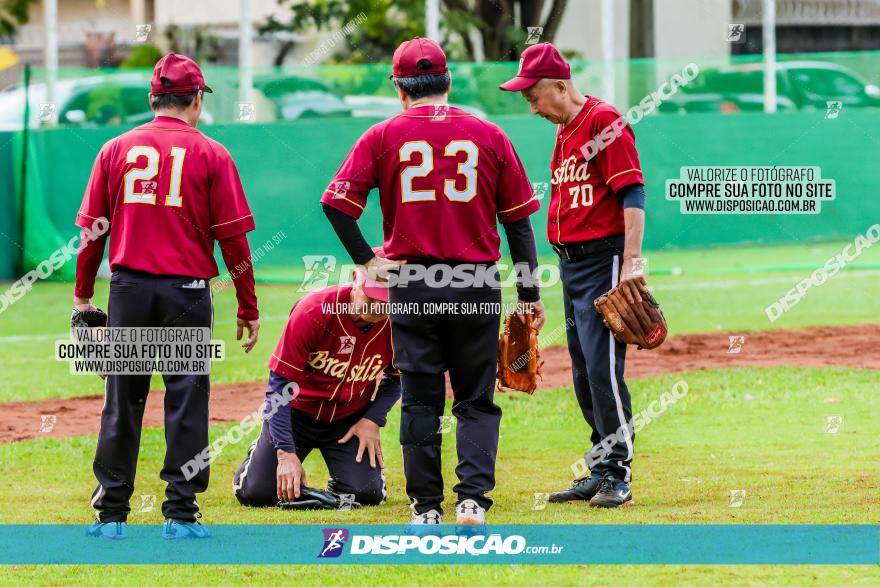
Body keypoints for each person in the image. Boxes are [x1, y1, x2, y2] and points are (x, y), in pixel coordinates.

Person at [321, 37, 544, 526]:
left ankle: (426, 508)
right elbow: (518, 224)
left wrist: (367, 262)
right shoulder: (488, 133)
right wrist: (529, 294)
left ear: (401, 89)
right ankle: (472, 501)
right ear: (449, 81)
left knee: (421, 400)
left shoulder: (381, 136)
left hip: (413, 285)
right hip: (476, 284)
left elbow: (335, 204)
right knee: (476, 400)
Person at [75, 53, 260, 539]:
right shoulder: (212, 153)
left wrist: (81, 297)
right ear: (196, 98)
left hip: (129, 290)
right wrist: (248, 304)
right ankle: (180, 514)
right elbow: (234, 240)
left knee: (123, 402)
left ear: (152, 99)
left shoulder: (114, 148)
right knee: (185, 404)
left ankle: (112, 515)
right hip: (188, 294)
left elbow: (93, 233)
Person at [501, 43, 647, 507]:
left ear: (560, 86)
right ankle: (601, 465)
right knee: (584, 371)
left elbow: (633, 192)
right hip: (572, 264)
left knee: (603, 369)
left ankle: (617, 471)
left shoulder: (603, 121)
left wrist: (631, 262)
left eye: (534, 96)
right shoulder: (565, 132)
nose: (532, 106)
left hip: (603, 259)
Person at [233, 266, 399, 508]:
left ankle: (342, 479)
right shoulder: (314, 310)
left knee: (368, 495)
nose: (377, 307)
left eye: (385, 301)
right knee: (257, 494)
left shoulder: (399, 324)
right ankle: (263, 450)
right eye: (370, 296)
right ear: (355, 279)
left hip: (348, 422)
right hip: (296, 415)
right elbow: (279, 385)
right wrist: (284, 452)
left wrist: (372, 419)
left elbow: (397, 378)